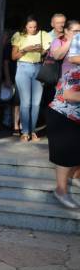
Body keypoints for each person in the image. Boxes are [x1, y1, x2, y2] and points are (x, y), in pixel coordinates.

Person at [11, 15, 51, 142]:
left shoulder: (43, 34)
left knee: (36, 103)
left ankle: (32, 131)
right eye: (30, 27)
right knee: (26, 102)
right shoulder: (19, 36)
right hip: (23, 68)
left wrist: (41, 50)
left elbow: (47, 51)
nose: (33, 29)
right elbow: (13, 56)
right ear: (25, 27)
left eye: (34, 27)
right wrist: (26, 49)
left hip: (38, 67)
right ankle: (25, 132)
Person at [47, 64, 80, 209]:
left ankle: (74, 177)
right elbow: (68, 95)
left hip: (74, 118)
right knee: (65, 156)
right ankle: (61, 190)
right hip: (63, 116)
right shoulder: (76, 73)